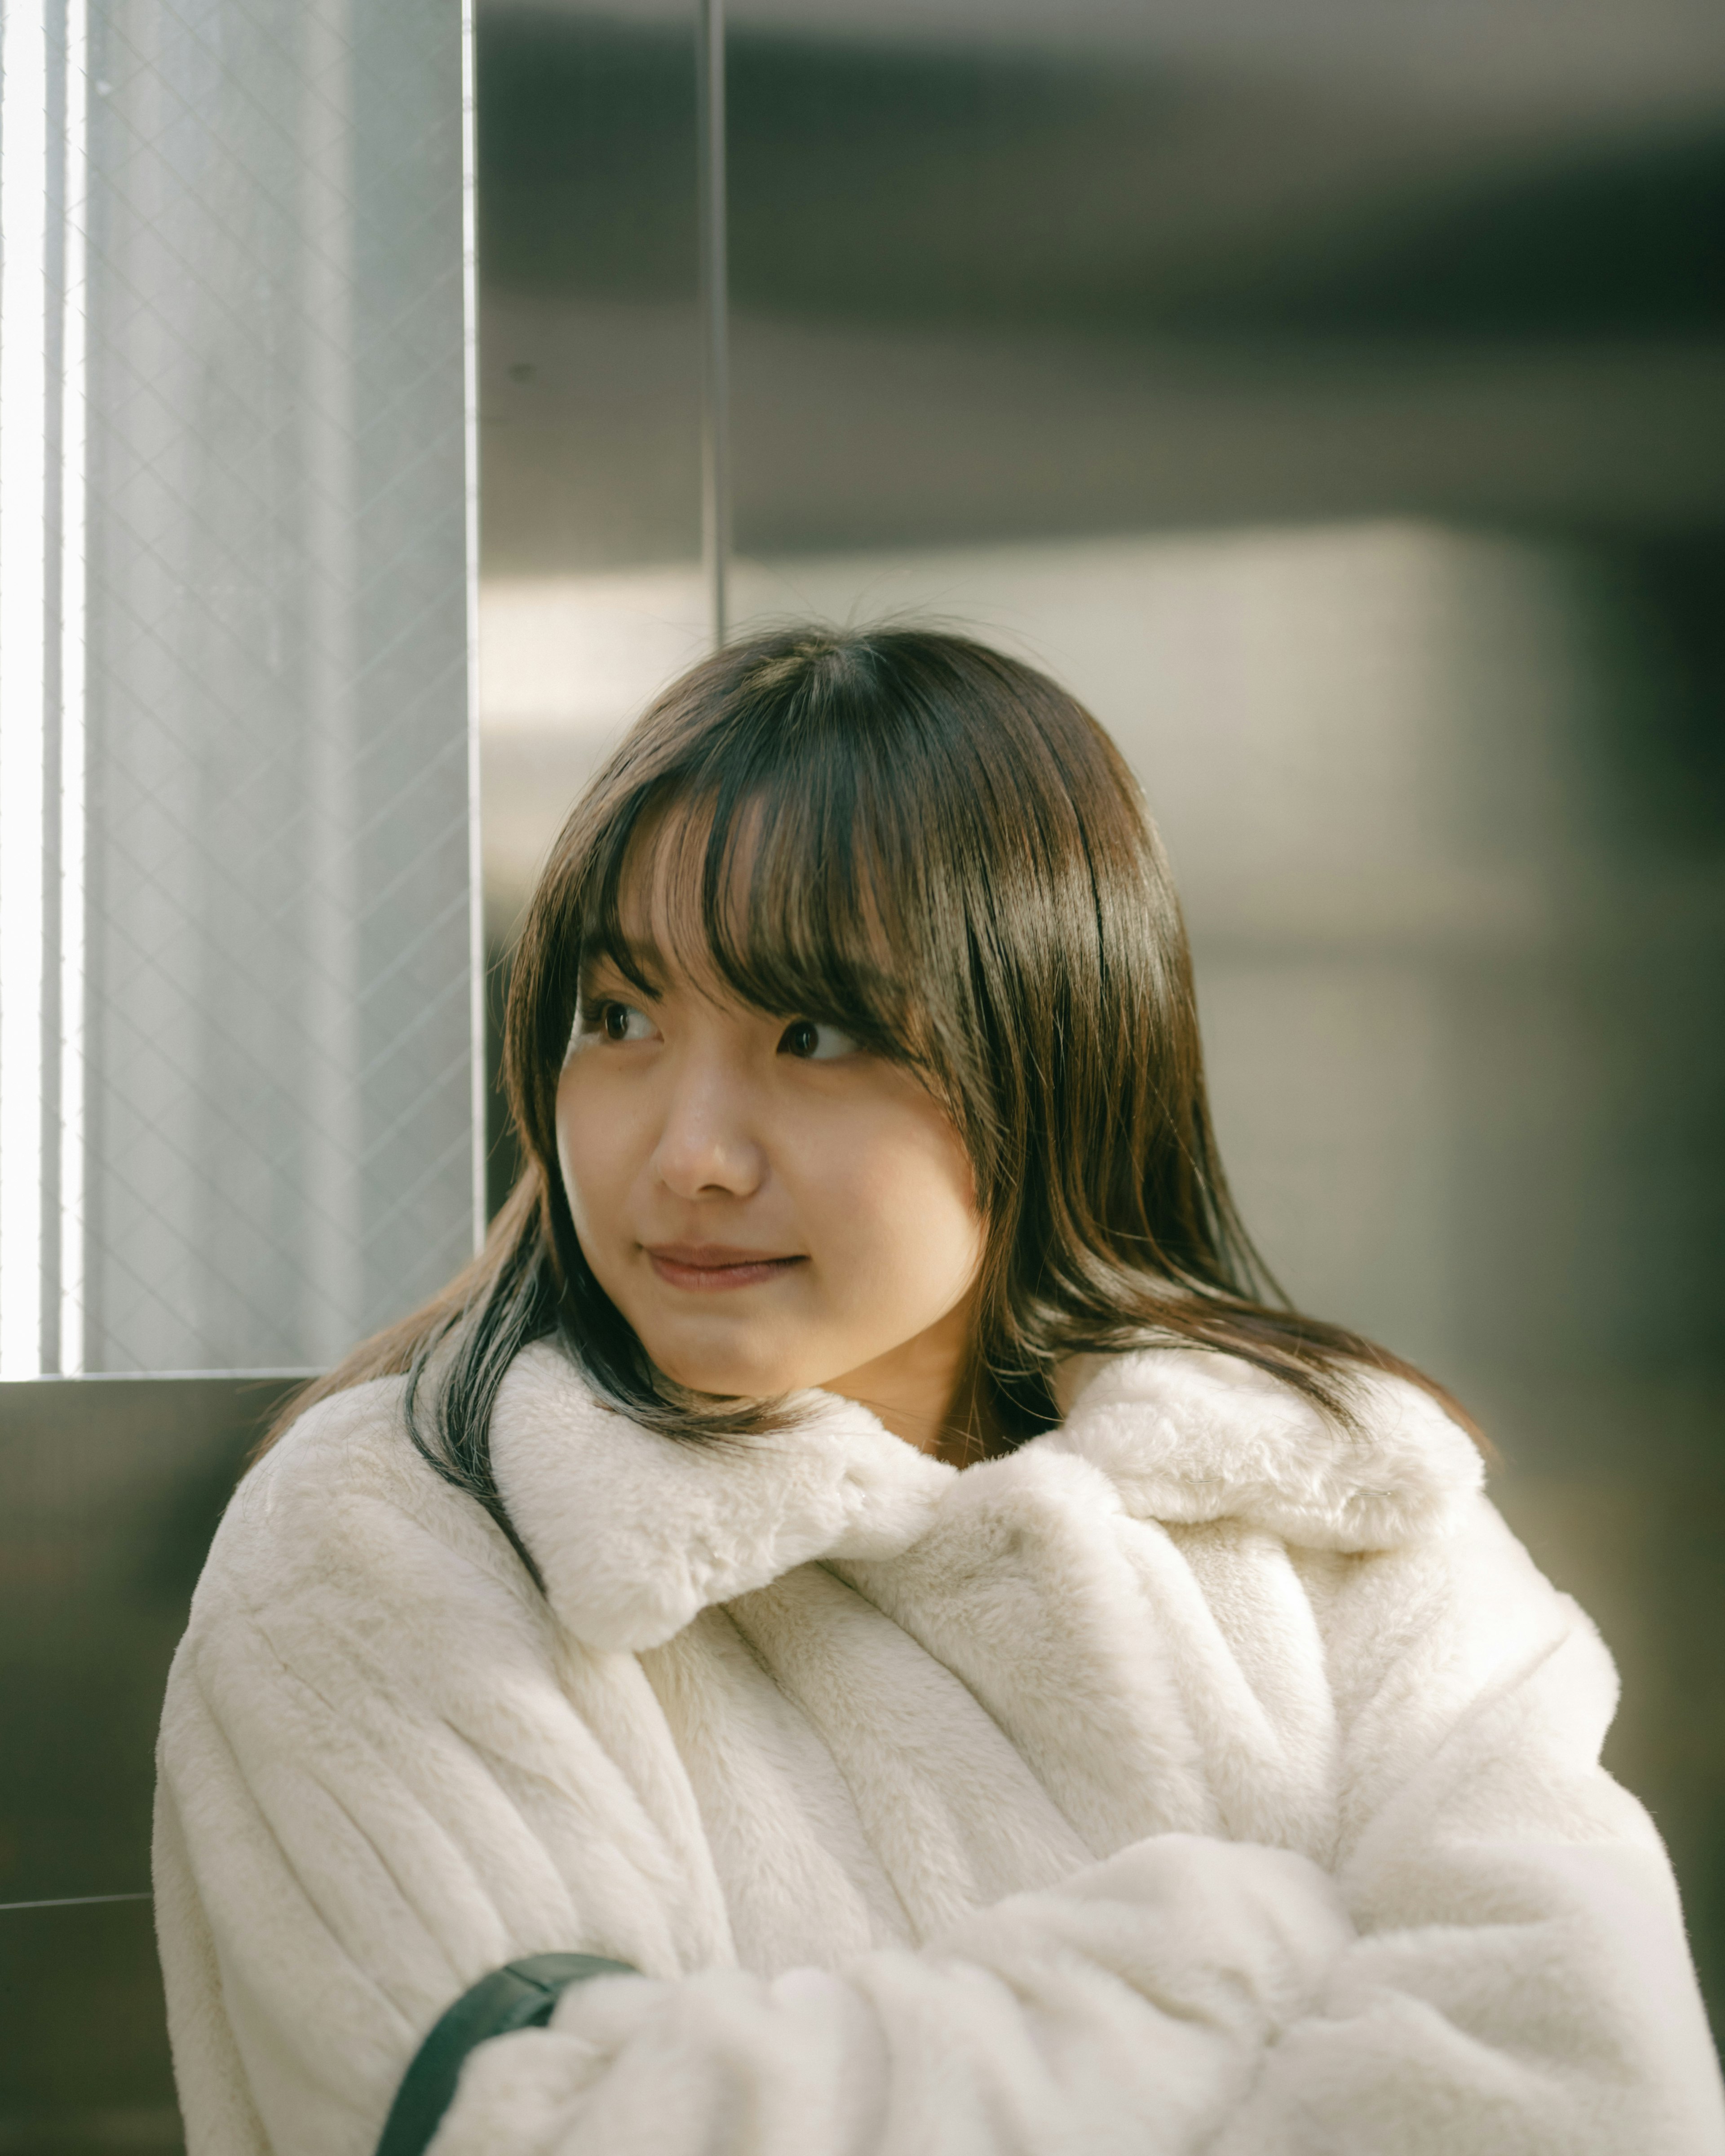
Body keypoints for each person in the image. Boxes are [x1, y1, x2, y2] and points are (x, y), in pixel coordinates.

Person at [155, 627, 1725, 2156]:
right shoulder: (400, 1538)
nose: (688, 1151)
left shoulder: (1345, 1517)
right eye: (618, 1019)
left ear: (1053, 1052)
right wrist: (1219, 1968)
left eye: (813, 1032)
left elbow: (1599, 2092)